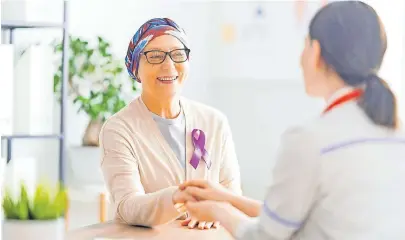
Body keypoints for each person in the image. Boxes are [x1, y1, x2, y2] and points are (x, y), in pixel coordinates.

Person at [179, 1, 405, 239]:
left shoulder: (310, 140)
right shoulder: (394, 130)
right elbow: (297, 218)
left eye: (304, 45)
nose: (300, 58)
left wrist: (218, 211)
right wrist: (227, 199)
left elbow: (266, 236)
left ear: (315, 52)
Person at [99, 18, 242, 229]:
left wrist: (217, 211)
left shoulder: (214, 121)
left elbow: (232, 194)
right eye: (155, 56)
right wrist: (178, 197)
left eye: (177, 54)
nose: (168, 65)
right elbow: (128, 205)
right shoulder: (118, 130)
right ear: (136, 68)